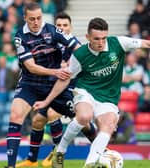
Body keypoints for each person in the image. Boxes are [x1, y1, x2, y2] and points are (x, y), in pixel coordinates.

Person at [33, 17, 150, 168]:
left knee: (108, 125)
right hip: (86, 91)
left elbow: (145, 43)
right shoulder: (80, 55)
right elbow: (65, 79)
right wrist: (46, 101)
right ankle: (60, 151)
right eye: (96, 39)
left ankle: (90, 164)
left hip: (109, 97)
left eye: (104, 38)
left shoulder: (118, 43)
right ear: (88, 37)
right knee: (84, 116)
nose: (101, 42)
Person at [4, 3, 95, 168]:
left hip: (54, 86)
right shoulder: (19, 37)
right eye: (32, 19)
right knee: (16, 115)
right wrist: (55, 72)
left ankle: (103, 151)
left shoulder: (52, 30)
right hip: (30, 83)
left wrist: (83, 62)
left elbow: (77, 46)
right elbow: (31, 67)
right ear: (25, 18)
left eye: (39, 18)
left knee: (82, 119)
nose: (36, 22)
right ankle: (12, 165)